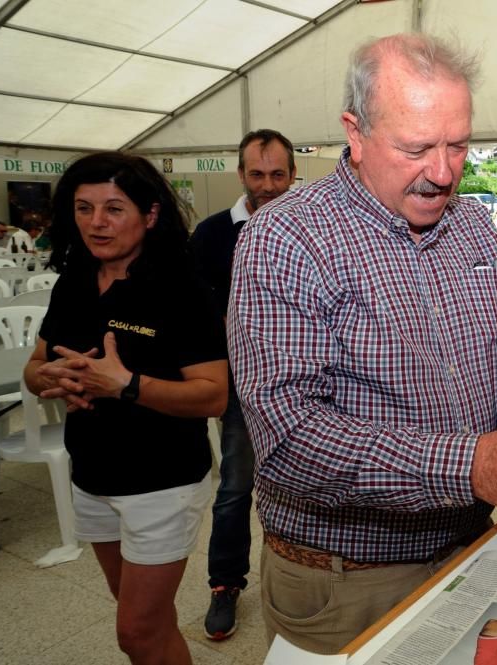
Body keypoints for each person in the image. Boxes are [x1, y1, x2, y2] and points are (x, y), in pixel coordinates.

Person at [228, 33, 497, 655]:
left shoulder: (469, 224)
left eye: (458, 145)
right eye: (416, 147)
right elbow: (290, 438)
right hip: (349, 579)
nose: (442, 173)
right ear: (354, 133)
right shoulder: (287, 238)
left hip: (470, 545)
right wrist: (472, 465)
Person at [23, 152, 228, 665]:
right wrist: (46, 377)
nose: (96, 222)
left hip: (161, 484)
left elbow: (214, 395)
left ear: (150, 215)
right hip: (90, 477)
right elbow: (34, 364)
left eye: (114, 208)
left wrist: (127, 385)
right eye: (84, 208)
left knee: (135, 633)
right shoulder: (74, 280)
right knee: (147, 624)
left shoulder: (182, 291)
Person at [190, 128, 297, 641]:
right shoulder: (211, 236)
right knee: (235, 487)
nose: (269, 185)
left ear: (293, 175)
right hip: (242, 389)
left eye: (278, 174)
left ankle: (303, 580)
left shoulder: (312, 230)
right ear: (241, 175)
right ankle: (224, 584)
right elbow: (195, 318)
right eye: (258, 174)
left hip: (311, 385)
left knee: (309, 487)